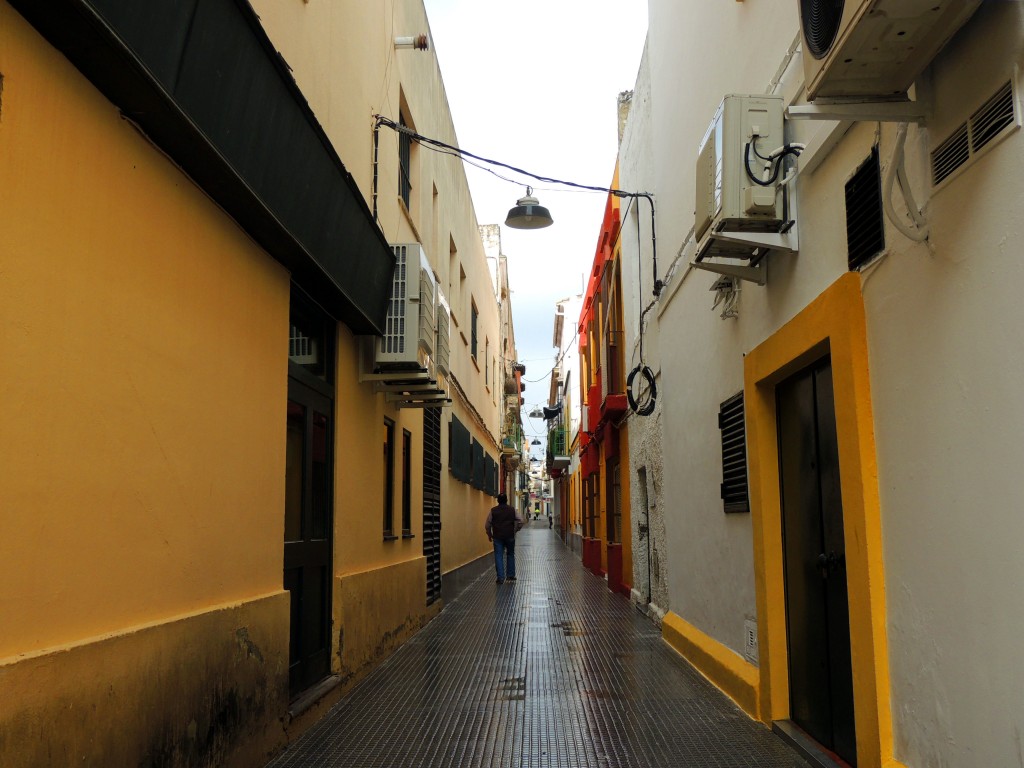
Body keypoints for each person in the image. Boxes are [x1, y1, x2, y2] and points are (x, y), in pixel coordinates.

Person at [485, 493, 524, 584]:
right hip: (510, 536)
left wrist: (489, 534)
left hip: (498, 536)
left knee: (498, 556)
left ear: (498, 500)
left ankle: (500, 578)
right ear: (507, 500)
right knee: (510, 554)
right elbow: (521, 521)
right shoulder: (512, 510)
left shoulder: (493, 511)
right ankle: (510, 575)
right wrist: (516, 530)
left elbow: (487, 525)